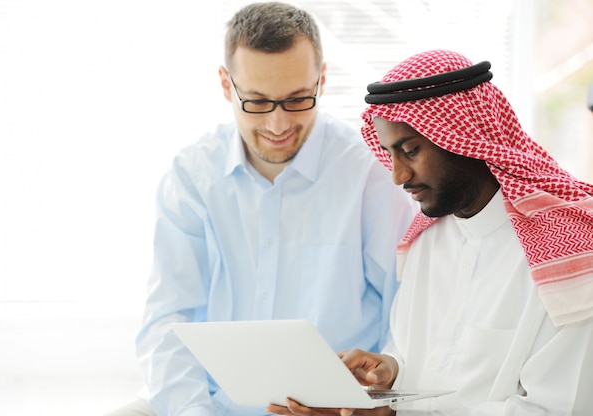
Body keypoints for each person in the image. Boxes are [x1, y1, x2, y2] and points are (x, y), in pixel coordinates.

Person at [104, 3, 415, 416]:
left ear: (321, 80)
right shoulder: (192, 176)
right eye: (257, 102)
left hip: (330, 410)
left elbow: (407, 313)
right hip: (215, 405)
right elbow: (167, 319)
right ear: (225, 85)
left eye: (297, 99)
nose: (278, 124)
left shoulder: (370, 175)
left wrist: (374, 399)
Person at [267, 49, 593, 416]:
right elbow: (420, 360)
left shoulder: (569, 254)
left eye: (410, 151)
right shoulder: (424, 241)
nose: (398, 176)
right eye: (391, 154)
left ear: (464, 136)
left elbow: (557, 408)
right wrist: (390, 375)